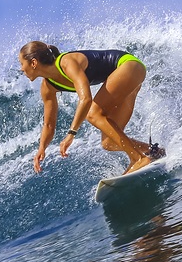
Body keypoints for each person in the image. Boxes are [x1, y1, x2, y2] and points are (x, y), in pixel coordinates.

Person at [18, 41, 164, 174]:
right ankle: (153, 152)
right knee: (109, 143)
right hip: (128, 78)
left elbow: (86, 98)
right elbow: (49, 124)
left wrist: (71, 134)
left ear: (34, 63)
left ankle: (138, 159)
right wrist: (42, 148)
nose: (21, 69)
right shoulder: (47, 87)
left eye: (21, 64)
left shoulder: (66, 62)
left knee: (93, 113)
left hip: (129, 66)